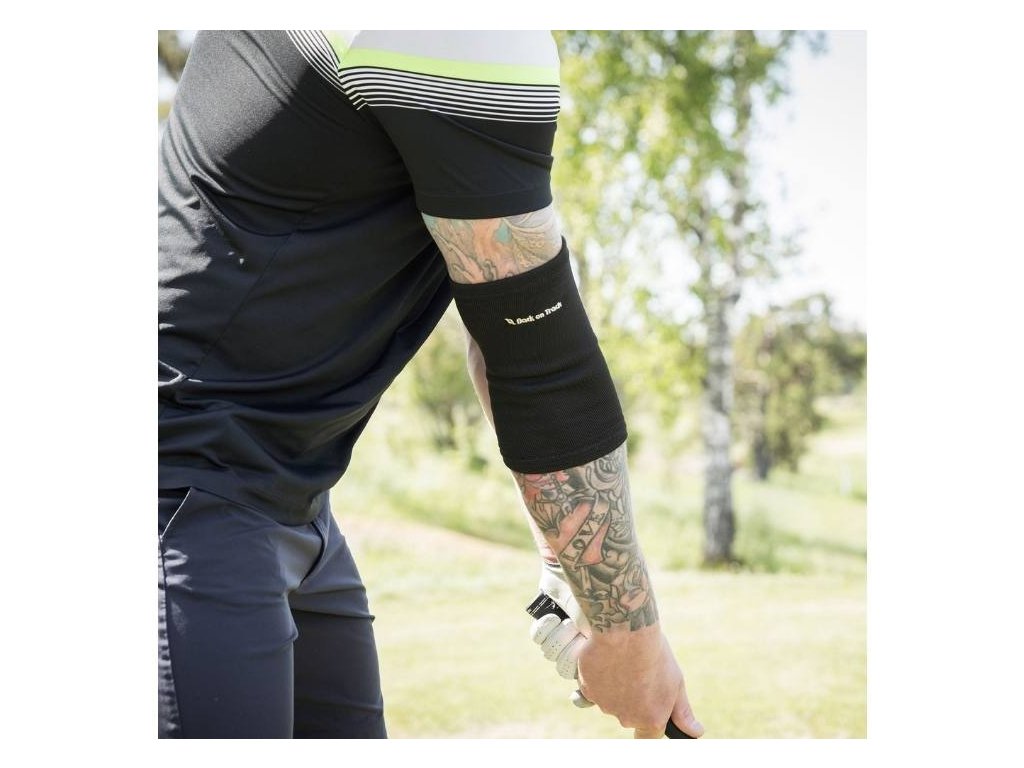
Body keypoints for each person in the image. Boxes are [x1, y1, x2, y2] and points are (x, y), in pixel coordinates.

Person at [158, 29, 704, 739]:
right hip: (186, 491)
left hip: (287, 497)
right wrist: (630, 641)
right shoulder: (452, 27)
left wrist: (566, 560)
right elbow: (538, 356)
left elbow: (496, 313)